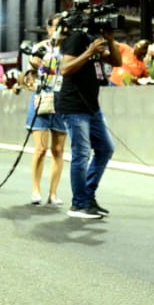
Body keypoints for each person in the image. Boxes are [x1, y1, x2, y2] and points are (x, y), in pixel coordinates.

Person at [55, 13, 121, 219]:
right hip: (74, 105)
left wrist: (110, 39)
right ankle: (79, 204)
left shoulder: (95, 40)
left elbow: (117, 62)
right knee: (82, 153)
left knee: (105, 148)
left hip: (91, 106)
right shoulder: (75, 39)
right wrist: (89, 52)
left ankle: (88, 196)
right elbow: (65, 69)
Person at [26, 14, 66, 207]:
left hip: (63, 99)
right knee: (40, 149)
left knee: (58, 150)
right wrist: (33, 71)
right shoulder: (41, 47)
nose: (59, 30)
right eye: (56, 26)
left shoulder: (71, 48)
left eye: (63, 27)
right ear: (48, 28)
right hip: (42, 97)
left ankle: (53, 193)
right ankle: (35, 190)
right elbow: (31, 68)